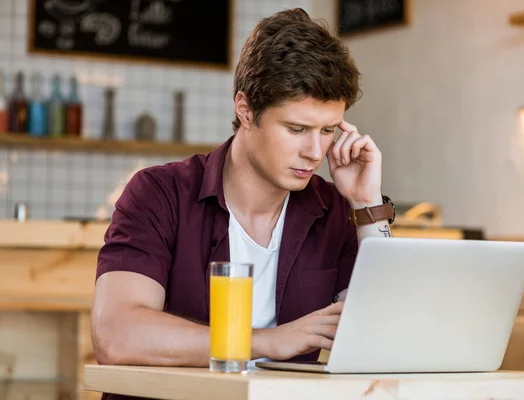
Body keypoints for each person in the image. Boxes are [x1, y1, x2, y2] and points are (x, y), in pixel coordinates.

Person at [91, 7, 395, 398]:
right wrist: (266, 342)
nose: (315, 152)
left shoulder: (335, 210)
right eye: (296, 129)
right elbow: (116, 335)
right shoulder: (159, 193)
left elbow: (384, 337)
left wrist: (366, 203)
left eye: (329, 131)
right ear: (245, 109)